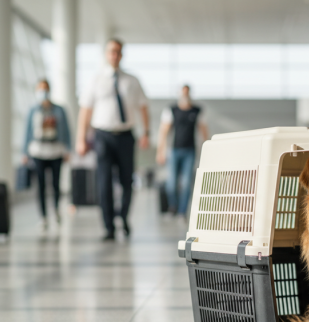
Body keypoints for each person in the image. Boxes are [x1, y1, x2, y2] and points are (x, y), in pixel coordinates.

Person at [76, 38, 150, 241]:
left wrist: (146, 133)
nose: (114, 55)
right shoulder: (96, 79)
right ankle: (108, 226)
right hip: (102, 136)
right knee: (104, 181)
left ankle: (124, 218)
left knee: (128, 180)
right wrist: (80, 138)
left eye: (117, 51)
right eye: (111, 51)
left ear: (122, 54)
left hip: (126, 135)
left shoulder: (132, 81)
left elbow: (143, 107)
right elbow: (85, 110)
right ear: (106, 54)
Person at [22, 79, 71, 230]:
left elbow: (67, 131)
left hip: (56, 150)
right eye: (40, 89)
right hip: (38, 152)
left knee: (56, 184)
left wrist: (68, 149)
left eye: (45, 89)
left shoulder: (59, 110)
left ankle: (56, 210)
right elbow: (27, 132)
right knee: (41, 185)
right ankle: (43, 216)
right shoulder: (33, 110)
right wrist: (24, 152)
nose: (43, 92)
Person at [156, 85, 209, 217]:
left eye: (187, 92)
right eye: (183, 92)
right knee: (171, 184)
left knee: (186, 183)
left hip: (190, 152)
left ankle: (182, 212)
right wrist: (160, 151)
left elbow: (203, 131)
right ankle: (173, 207)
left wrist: (208, 150)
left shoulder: (197, 111)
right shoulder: (172, 110)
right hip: (174, 151)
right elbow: (164, 132)